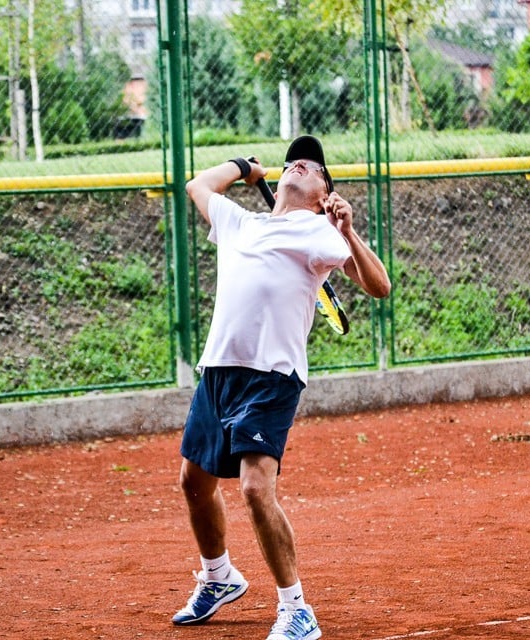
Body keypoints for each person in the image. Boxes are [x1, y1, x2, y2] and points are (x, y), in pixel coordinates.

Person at [172, 135, 391, 640]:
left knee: (253, 487)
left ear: (323, 193)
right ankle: (220, 576)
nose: (297, 165)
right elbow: (197, 184)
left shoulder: (318, 232)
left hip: (271, 376)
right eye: (294, 161)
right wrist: (244, 166)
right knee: (193, 484)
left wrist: (348, 231)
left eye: (312, 166)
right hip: (219, 370)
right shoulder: (240, 223)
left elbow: (378, 286)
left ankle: (297, 611)